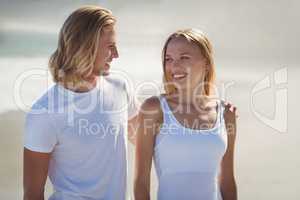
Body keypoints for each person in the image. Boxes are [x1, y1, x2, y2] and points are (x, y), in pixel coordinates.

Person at [23, 5, 139, 200]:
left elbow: (151, 141)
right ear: (85, 46)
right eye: (110, 46)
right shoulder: (45, 113)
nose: (116, 54)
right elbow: (33, 193)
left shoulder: (120, 88)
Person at [134, 29, 237, 200]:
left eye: (184, 58)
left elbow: (227, 181)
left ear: (206, 62)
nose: (174, 66)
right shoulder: (154, 109)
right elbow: (141, 183)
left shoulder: (226, 114)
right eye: (169, 59)